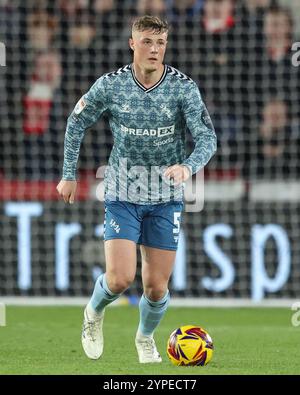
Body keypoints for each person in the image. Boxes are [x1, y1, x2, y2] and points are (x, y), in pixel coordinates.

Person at [56, 15, 216, 363]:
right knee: (120, 278)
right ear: (132, 44)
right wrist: (69, 173)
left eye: (160, 43)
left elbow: (207, 138)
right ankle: (93, 314)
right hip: (122, 191)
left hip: (165, 197)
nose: (154, 49)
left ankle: (145, 337)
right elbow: (76, 120)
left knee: (157, 288)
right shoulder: (111, 85)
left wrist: (188, 166)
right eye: (146, 41)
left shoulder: (182, 88)